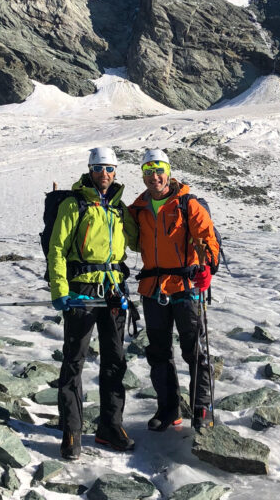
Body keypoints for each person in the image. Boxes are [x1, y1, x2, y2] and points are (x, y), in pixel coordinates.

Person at [47, 146, 138, 460]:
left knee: (115, 359)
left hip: (113, 290)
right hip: (82, 289)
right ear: (90, 169)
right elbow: (57, 249)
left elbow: (137, 241)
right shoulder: (74, 204)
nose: (105, 174)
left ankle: (110, 426)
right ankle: (72, 431)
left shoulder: (119, 208)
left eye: (110, 169)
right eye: (99, 168)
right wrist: (59, 290)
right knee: (74, 361)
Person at [129, 149, 220, 433]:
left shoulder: (187, 204)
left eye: (158, 170)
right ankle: (168, 409)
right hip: (153, 288)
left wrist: (208, 267)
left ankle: (201, 408)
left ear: (168, 172)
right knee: (158, 351)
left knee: (195, 350)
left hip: (186, 286)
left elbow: (208, 239)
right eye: (148, 171)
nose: (154, 176)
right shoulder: (139, 208)